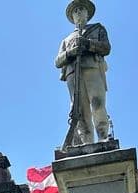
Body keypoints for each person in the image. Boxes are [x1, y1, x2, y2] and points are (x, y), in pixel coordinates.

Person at [55, 0, 112, 146]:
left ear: (87, 13)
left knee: (97, 103)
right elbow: (57, 61)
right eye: (75, 10)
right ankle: (86, 142)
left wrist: (88, 44)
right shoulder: (66, 40)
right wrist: (71, 52)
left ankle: (103, 136)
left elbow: (106, 48)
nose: (79, 12)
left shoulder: (97, 29)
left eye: (81, 9)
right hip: (73, 73)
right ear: (72, 16)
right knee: (79, 110)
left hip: (93, 67)